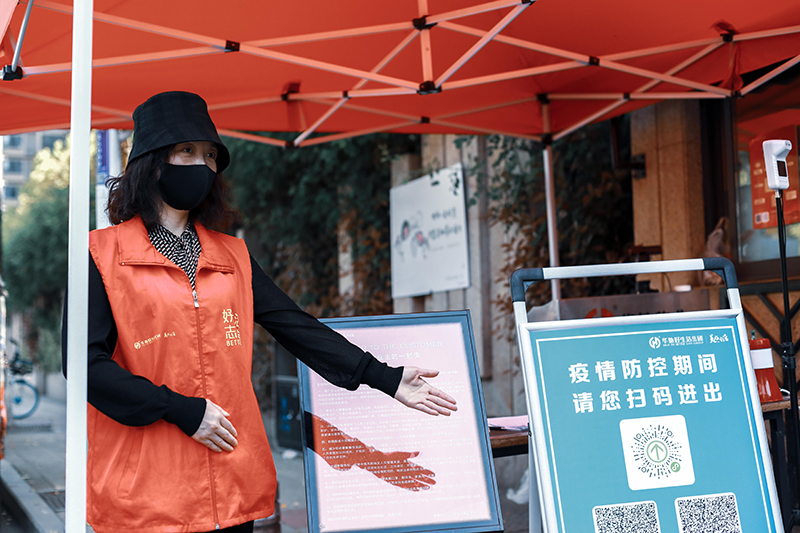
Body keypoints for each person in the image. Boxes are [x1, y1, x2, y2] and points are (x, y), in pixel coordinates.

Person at [62, 91, 457, 533]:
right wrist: (181, 410)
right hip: (147, 494)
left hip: (231, 481)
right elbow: (84, 367)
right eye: (186, 151)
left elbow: (295, 325)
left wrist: (385, 377)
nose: (201, 164)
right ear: (152, 162)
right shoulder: (100, 255)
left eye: (210, 155)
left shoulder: (232, 255)